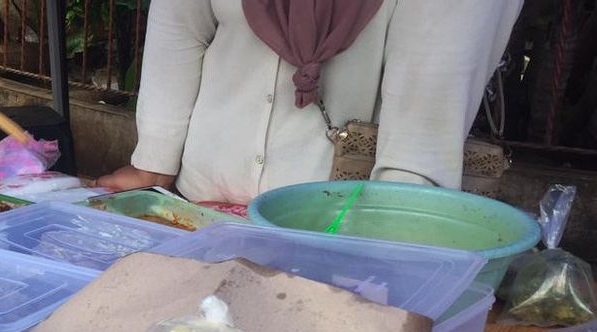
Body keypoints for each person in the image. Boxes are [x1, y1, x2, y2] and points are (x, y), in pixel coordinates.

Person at [97, 0, 523, 205]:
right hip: (199, 206)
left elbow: (430, 94)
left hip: (337, 224)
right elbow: (180, 25)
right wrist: (153, 161)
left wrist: (392, 227)